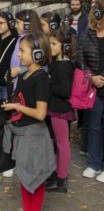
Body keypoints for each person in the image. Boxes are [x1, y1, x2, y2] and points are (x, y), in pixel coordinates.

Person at [1, 32, 55, 211]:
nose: (18, 54)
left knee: (34, 180)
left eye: (22, 50)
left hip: (35, 137)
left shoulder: (40, 79)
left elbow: (40, 114)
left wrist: (16, 107)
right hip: (24, 136)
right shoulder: (25, 75)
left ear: (37, 53)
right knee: (25, 179)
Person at [5, 9, 43, 178]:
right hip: (16, 87)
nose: (15, 25)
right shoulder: (19, 40)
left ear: (28, 24)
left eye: (18, 22)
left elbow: (41, 65)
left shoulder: (36, 42)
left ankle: (27, 164)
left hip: (27, 93)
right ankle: (16, 160)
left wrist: (19, 70)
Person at [77, 0, 104, 182]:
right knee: (94, 126)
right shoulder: (86, 35)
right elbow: (80, 61)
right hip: (94, 88)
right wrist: (92, 77)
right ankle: (94, 163)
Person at [45, 27, 76, 193]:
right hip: (54, 109)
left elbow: (65, 91)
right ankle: (57, 174)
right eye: (50, 43)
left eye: (54, 44)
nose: (50, 46)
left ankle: (61, 179)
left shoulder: (64, 66)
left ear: (64, 46)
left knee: (62, 144)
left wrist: (48, 82)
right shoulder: (56, 63)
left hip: (60, 110)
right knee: (58, 145)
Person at [0, 11, 18, 162]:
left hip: (8, 87)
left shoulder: (16, 41)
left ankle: (9, 153)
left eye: (1, 23)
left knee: (8, 121)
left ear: (10, 23)